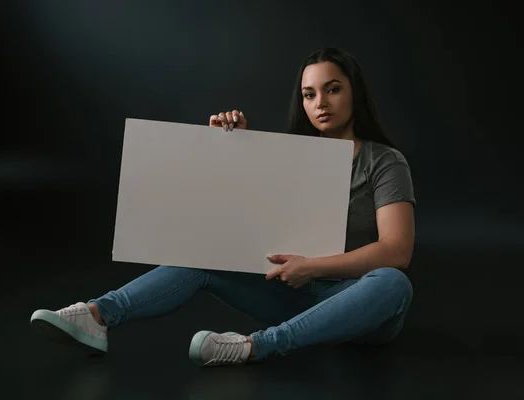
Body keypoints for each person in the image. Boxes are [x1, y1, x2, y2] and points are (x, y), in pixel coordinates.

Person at [30, 47, 416, 367]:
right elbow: (244, 227)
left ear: (354, 92)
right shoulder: (294, 158)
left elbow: (396, 250)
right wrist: (235, 150)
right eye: (309, 94)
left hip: (362, 304)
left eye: (332, 90)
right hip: (297, 295)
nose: (320, 103)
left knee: (393, 283)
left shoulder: (384, 162)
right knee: (205, 254)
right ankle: (99, 315)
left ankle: (255, 346)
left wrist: (313, 266)